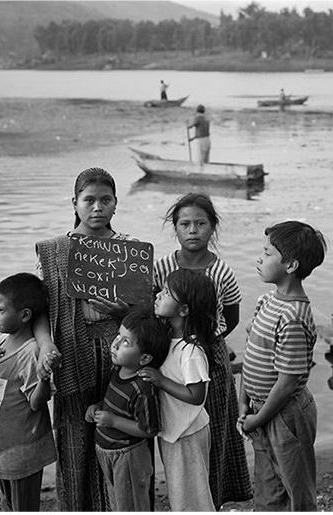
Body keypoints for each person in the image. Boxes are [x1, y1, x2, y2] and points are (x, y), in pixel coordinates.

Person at [34, 167, 139, 511]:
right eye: (89, 200)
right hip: (72, 356)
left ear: (115, 204)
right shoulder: (54, 251)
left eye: (105, 200)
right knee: (75, 440)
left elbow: (146, 316)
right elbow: (38, 310)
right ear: (75, 203)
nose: (97, 207)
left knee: (120, 438)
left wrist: (123, 312)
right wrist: (47, 344)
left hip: (118, 357)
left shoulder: (129, 251)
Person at [153, 192, 252, 508]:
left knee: (215, 428)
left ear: (213, 227)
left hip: (212, 356)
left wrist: (204, 340)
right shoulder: (162, 267)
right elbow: (155, 308)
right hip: (171, 355)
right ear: (176, 228)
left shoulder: (222, 271)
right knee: (178, 426)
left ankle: (214, 496)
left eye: (200, 223)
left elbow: (231, 317)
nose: (192, 230)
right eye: (185, 224)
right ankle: (187, 493)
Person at [239, 220, 327, 510]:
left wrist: (258, 418)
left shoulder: (292, 317)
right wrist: (244, 403)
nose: (259, 259)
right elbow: (251, 353)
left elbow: (288, 382)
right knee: (268, 486)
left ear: (290, 265)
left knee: (295, 490)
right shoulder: (266, 302)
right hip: (262, 409)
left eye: (267, 254)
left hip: (285, 416)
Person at [0, 273, 56, 511]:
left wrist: (43, 379)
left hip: (22, 449)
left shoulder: (30, 353)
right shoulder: (2, 341)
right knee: (8, 503)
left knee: (23, 506)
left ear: (24, 315)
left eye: (1, 310)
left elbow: (36, 403)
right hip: (2, 447)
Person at [139, 269, 217, 510]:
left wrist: (160, 380)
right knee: (180, 492)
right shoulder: (168, 337)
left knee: (193, 496)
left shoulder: (190, 351)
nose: (158, 296)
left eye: (165, 292)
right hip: (175, 429)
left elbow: (197, 396)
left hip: (188, 432)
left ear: (184, 310)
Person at [85, 309, 168, 511]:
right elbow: (116, 403)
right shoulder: (118, 370)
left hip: (128, 456)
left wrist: (113, 421)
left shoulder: (142, 388)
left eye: (125, 342)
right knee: (117, 503)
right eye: (118, 336)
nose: (114, 344)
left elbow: (148, 430)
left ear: (145, 358)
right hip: (108, 452)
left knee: (131, 505)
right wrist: (98, 407)